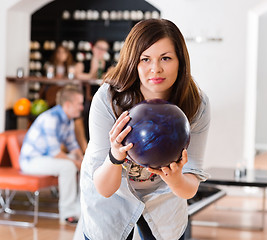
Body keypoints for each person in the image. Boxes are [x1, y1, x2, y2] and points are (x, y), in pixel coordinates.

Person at [80, 19, 210, 240]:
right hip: (112, 193)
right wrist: (114, 156)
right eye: (145, 59)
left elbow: (189, 188)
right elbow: (104, 188)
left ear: (180, 61)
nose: (155, 69)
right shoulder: (109, 98)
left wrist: (175, 178)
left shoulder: (195, 103)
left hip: (165, 195)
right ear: (133, 62)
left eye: (166, 58)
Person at [19, 85, 84, 225]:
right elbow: (56, 153)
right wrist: (78, 163)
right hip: (31, 161)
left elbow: (73, 146)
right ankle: (68, 214)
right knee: (68, 166)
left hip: (45, 159)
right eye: (79, 104)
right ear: (68, 104)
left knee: (76, 162)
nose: (82, 107)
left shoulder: (68, 120)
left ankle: (80, 209)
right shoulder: (50, 118)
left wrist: (83, 160)